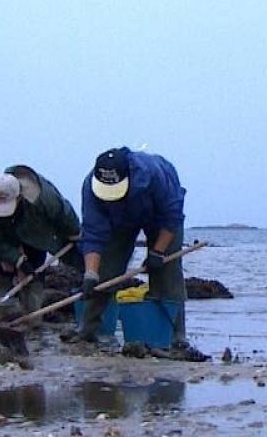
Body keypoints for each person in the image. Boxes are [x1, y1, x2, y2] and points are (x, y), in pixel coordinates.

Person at [75, 146, 188, 348]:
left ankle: (176, 336)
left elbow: (171, 217)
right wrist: (90, 273)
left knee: (167, 273)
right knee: (104, 273)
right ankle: (88, 329)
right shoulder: (90, 187)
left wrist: (157, 252)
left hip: (158, 216)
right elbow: (93, 234)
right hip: (119, 220)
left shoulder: (154, 174)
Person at [0, 165, 82, 320]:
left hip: (34, 231)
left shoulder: (45, 198)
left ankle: (32, 320)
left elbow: (65, 216)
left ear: (19, 197)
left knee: (34, 275)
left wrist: (74, 234)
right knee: (3, 273)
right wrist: (15, 259)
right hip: (2, 235)